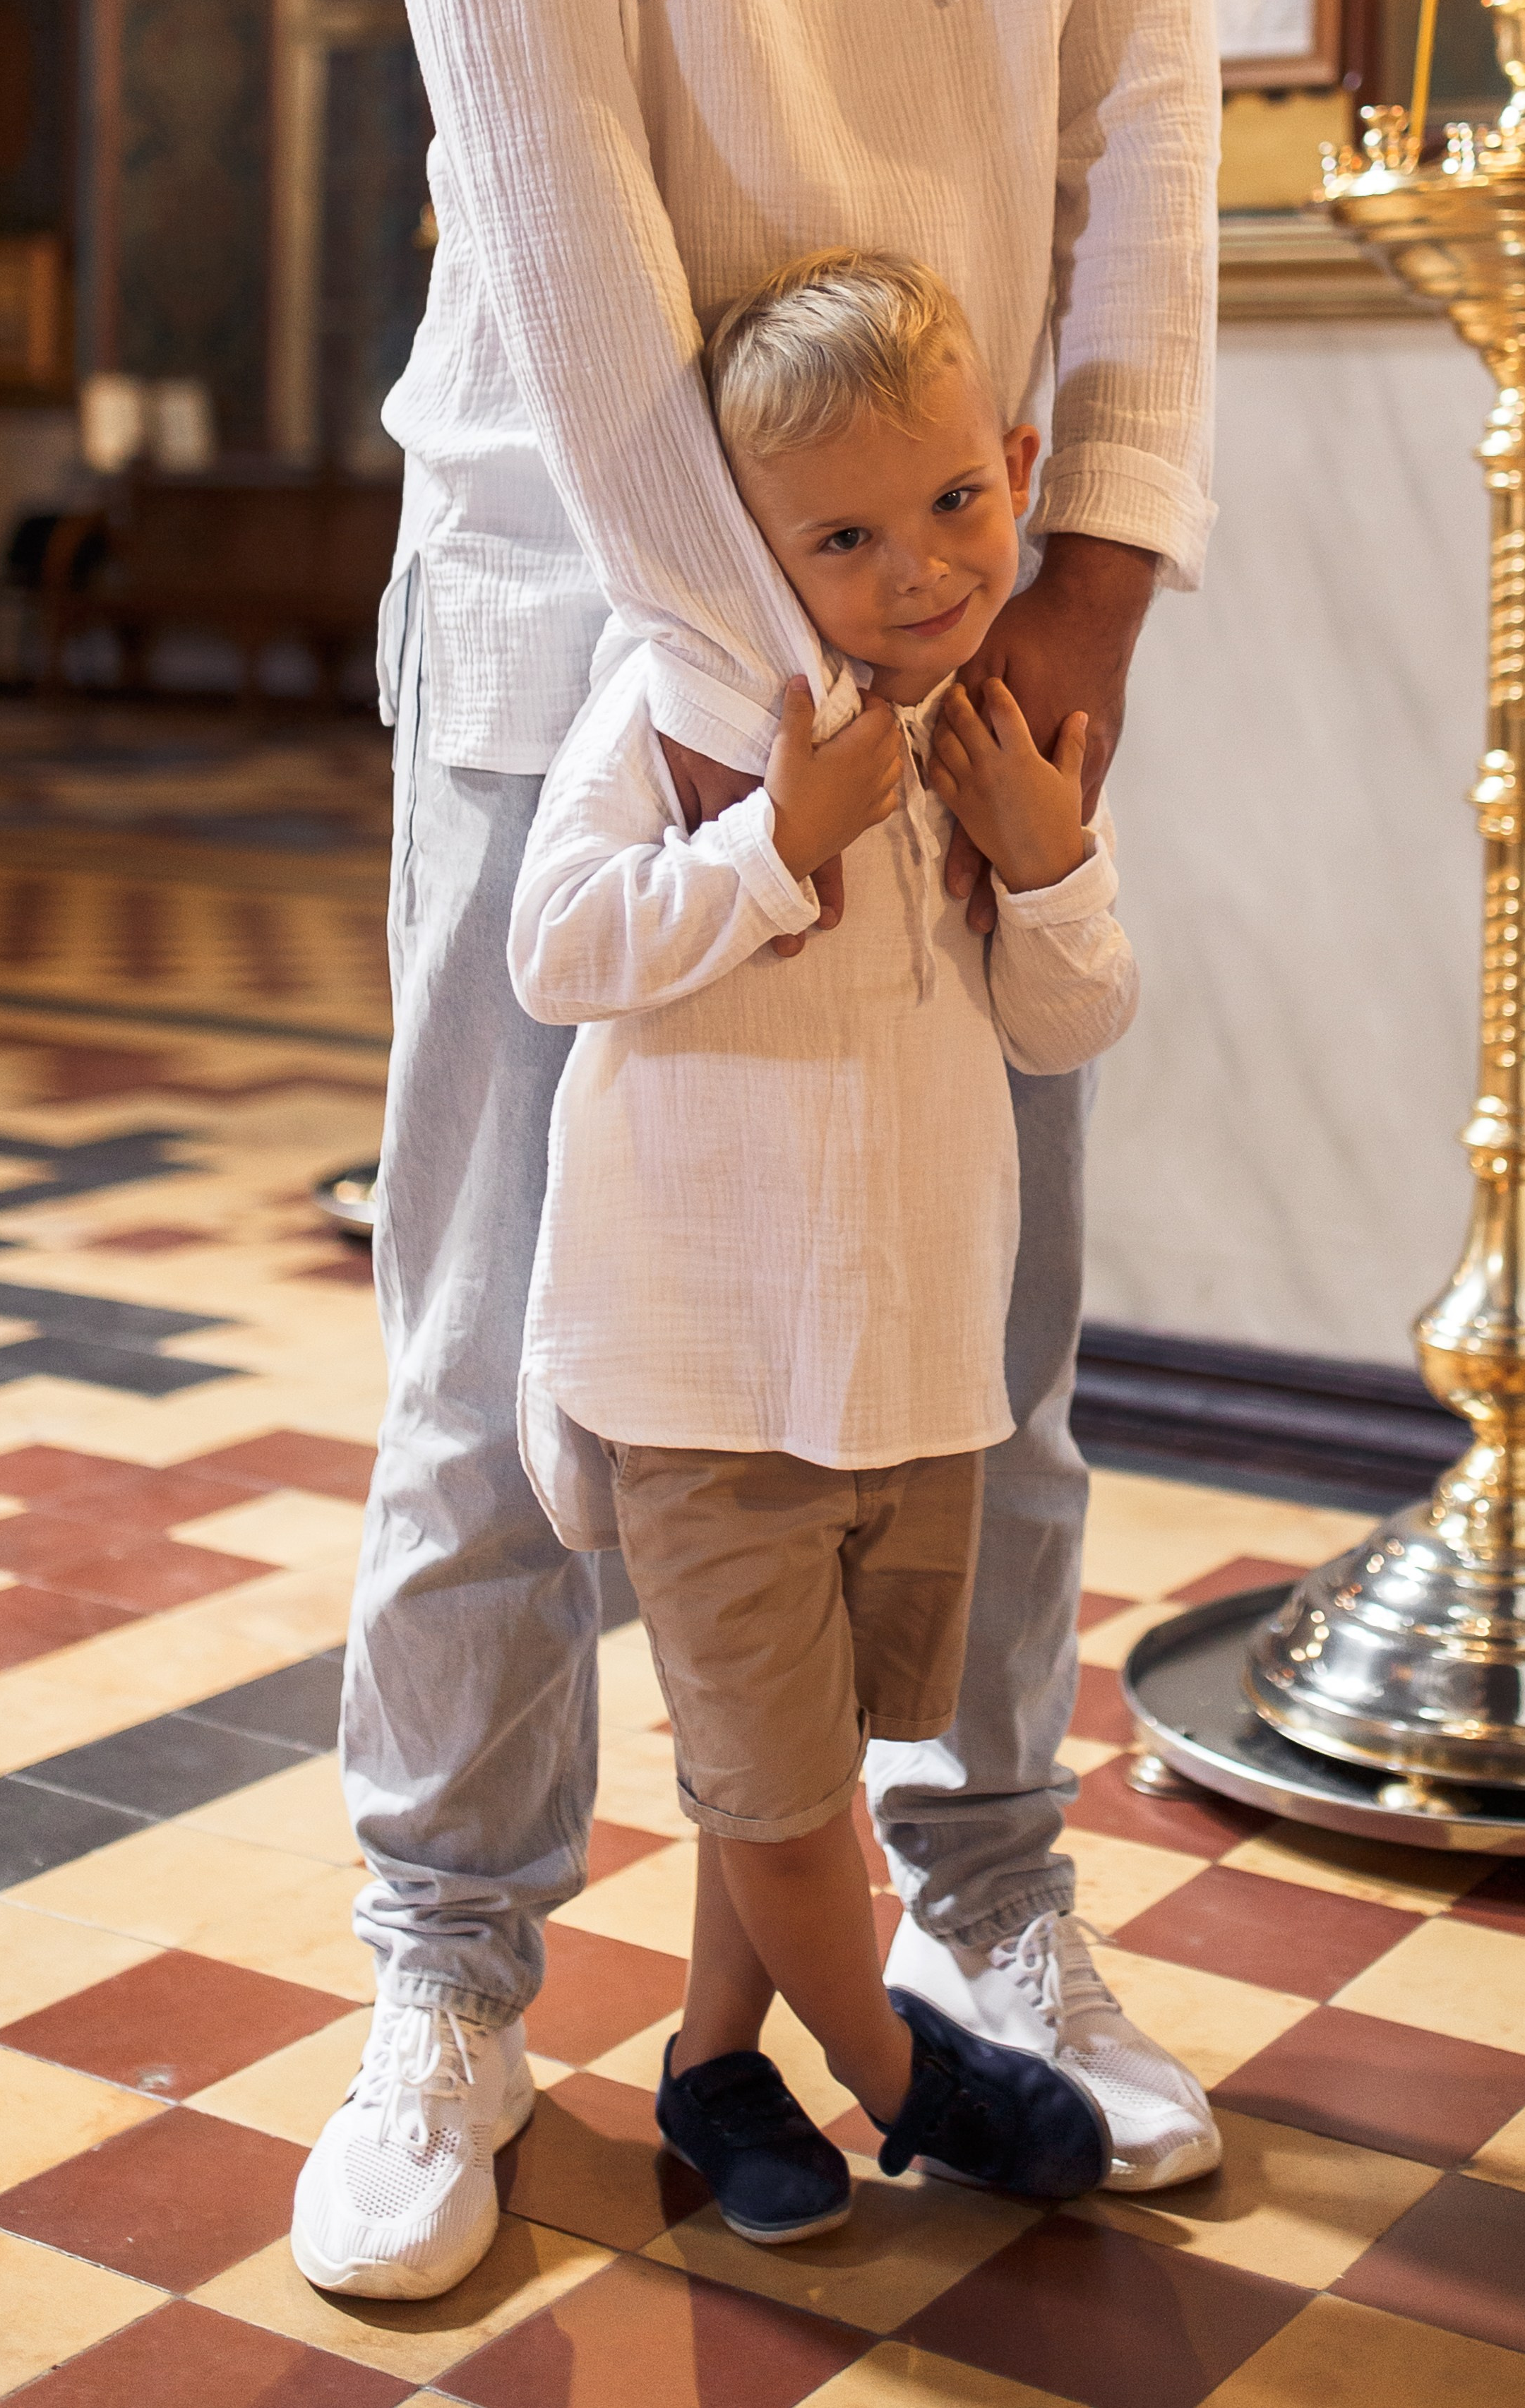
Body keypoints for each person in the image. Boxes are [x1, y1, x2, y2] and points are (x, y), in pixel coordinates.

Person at [293, 0, 1223, 2304]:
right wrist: (788, 702)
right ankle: (455, 1964)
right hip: (579, 581)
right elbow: (569, 209)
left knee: (974, 1354)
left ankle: (988, 1903)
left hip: (952, 585)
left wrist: (1081, 575)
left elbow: (1143, 116)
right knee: (509, 1354)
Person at [506, 251, 1137, 2244]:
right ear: (748, 543)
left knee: (796, 1751)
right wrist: (771, 845)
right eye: (843, 535)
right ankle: (896, 2064)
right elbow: (555, 950)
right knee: (771, 1773)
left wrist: (1043, 860)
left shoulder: (989, 733)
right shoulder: (687, 709)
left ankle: (713, 2060)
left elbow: (1070, 1020)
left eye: (955, 501)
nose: (921, 566)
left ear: (1017, 464)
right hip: (701, 1354)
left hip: (906, 1349)